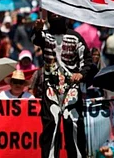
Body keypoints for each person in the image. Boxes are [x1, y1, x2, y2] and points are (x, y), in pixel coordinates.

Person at [33, 12, 93, 158]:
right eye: (51, 13)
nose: (55, 15)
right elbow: (36, 40)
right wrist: (37, 29)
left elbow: (88, 60)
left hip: (71, 88)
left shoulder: (75, 37)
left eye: (57, 13)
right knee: (51, 125)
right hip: (51, 88)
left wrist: (81, 74)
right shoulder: (45, 36)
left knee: (73, 123)